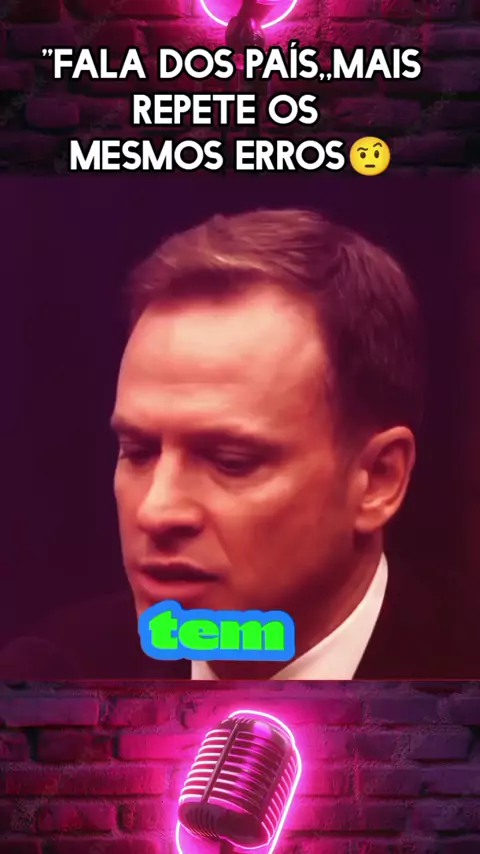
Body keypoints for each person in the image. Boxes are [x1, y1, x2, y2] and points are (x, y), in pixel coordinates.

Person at [0, 208, 469, 679]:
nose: (155, 512)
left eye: (231, 461)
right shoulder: (54, 677)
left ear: (378, 480)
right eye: (138, 452)